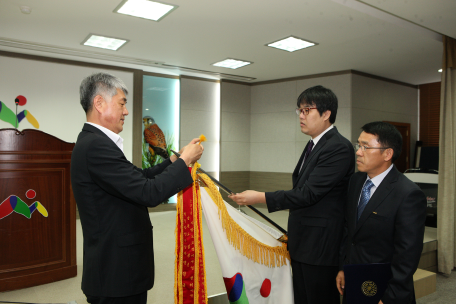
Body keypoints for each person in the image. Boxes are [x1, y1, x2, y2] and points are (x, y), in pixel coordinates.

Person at [71, 72, 203, 304]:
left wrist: (173, 161)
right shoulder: (96, 146)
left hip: (118, 268)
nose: (126, 111)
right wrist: (185, 162)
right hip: (115, 273)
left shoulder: (95, 142)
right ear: (99, 103)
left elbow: (138, 179)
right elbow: (148, 193)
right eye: (122, 103)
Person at [230, 85, 355, 304]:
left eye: (307, 110)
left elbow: (308, 194)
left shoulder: (338, 147)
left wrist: (260, 197)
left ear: (326, 114)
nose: (301, 116)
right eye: (299, 110)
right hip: (304, 241)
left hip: (320, 246)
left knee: (318, 298)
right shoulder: (314, 144)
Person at [336, 121, 426, 304]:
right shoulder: (355, 181)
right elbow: (349, 230)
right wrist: (343, 268)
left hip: (386, 290)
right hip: (354, 279)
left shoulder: (408, 194)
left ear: (387, 153)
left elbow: (407, 255)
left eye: (365, 147)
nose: (358, 152)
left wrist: (389, 297)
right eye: (358, 145)